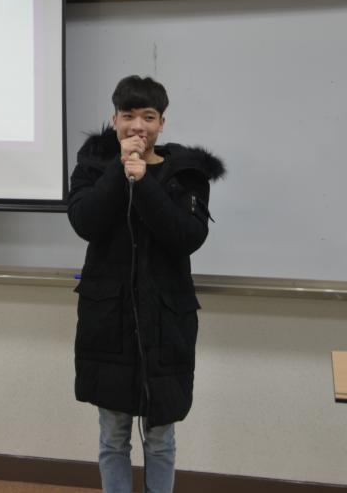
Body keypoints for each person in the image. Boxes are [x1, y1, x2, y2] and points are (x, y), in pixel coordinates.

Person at [67, 75, 225, 493]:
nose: (138, 126)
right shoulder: (93, 168)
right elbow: (85, 222)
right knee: (113, 436)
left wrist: (145, 182)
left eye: (149, 117)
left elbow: (187, 236)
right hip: (109, 319)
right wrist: (119, 173)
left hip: (166, 322)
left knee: (160, 438)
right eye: (129, 115)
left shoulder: (186, 174)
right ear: (114, 120)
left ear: (162, 123)